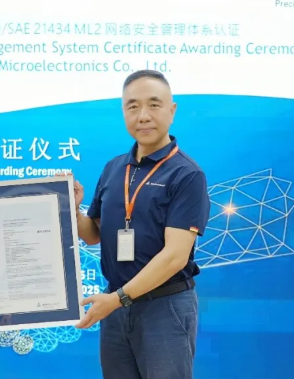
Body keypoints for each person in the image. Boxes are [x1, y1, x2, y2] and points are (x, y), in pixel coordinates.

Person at [72, 70, 210, 379]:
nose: (143, 116)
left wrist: (117, 299)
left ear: (172, 111)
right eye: (133, 106)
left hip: (164, 306)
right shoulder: (113, 168)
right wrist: (72, 211)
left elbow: (175, 257)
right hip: (116, 306)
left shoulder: (186, 175)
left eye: (154, 105)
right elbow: (93, 234)